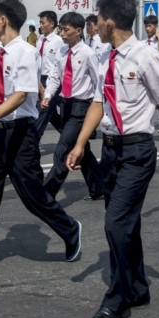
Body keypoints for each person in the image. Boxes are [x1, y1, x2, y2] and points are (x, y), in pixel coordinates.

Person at [66, 0, 159, 318]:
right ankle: (138, 288)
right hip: (111, 150)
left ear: (109, 22)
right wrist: (80, 143)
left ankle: (118, 299)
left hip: (137, 151)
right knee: (127, 224)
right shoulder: (105, 58)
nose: (93, 25)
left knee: (115, 223)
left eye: (96, 19)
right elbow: (99, 102)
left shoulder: (145, 56)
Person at [0, 0, 82, 275]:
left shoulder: (25, 52)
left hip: (20, 135)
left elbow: (22, 94)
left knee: (33, 197)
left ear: (3, 20)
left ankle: (69, 229)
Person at [39, 12, 104, 200]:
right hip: (66, 106)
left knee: (63, 148)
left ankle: (46, 193)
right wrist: (48, 95)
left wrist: (98, 110)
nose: (62, 33)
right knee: (83, 149)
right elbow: (54, 77)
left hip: (82, 107)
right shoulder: (61, 52)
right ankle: (98, 187)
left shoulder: (88, 54)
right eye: (61, 29)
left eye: (66, 30)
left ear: (78, 30)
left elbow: (98, 82)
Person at [35, 10, 64, 136]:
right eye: (40, 23)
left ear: (51, 24)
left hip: (52, 79)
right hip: (39, 78)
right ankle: (70, 137)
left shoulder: (58, 41)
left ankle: (32, 141)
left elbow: (59, 62)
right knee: (52, 115)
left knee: (43, 111)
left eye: (43, 22)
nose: (40, 25)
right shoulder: (40, 40)